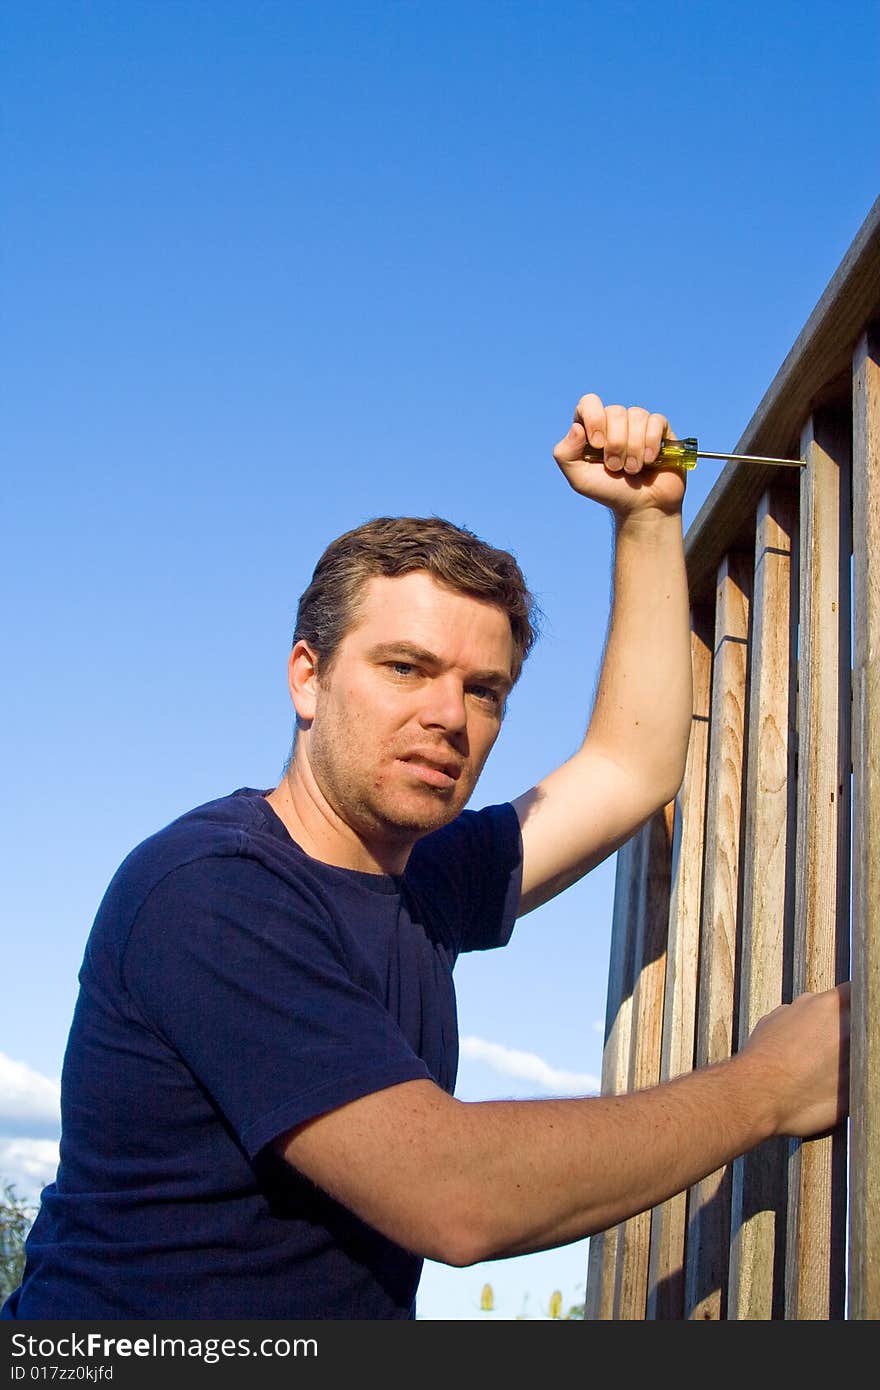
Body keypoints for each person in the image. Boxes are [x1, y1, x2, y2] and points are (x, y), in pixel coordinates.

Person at [2, 394, 849, 1321]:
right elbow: (456, 1197)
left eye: (484, 690)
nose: (449, 716)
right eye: (405, 668)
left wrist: (647, 519)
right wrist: (767, 1087)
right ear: (308, 677)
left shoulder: (423, 882)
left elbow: (630, 766)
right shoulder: (211, 890)